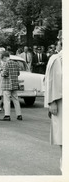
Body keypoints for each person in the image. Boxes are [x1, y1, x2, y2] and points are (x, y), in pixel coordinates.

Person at [44, 39, 62, 172]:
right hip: (61, 102)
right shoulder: (57, 59)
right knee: (63, 134)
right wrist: (52, 102)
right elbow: (51, 81)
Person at [0, 51, 22, 121]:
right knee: (16, 99)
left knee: (7, 100)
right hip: (15, 84)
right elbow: (18, 73)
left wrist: (1, 72)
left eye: (2, 58)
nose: (2, 60)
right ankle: (19, 115)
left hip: (7, 84)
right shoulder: (16, 63)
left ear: (4, 57)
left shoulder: (6, 63)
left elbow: (5, 74)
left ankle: (7, 115)